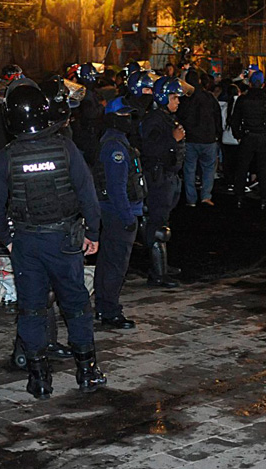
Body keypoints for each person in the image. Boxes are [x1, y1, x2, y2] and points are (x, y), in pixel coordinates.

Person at [0, 84, 104, 400]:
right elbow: (88, 195)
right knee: (76, 307)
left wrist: (10, 241)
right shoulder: (65, 148)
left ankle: (39, 379)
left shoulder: (6, 158)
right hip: (64, 241)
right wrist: (92, 233)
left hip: (27, 243)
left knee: (32, 310)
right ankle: (87, 371)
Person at [94, 98, 145, 329]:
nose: (128, 120)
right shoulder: (115, 147)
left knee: (108, 261)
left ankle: (104, 307)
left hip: (114, 212)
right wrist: (128, 218)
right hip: (118, 213)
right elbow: (117, 188)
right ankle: (109, 311)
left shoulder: (117, 142)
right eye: (123, 116)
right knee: (115, 264)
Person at [140, 77, 187, 287]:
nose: (177, 101)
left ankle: (162, 265)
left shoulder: (166, 117)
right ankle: (157, 274)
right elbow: (148, 149)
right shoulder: (154, 120)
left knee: (163, 224)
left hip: (169, 177)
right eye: (174, 97)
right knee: (158, 227)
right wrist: (172, 140)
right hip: (158, 179)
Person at [230, 71, 266, 209]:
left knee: (242, 168)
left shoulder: (243, 99)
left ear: (251, 83)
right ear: (263, 84)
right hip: (263, 136)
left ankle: (239, 197)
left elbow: (235, 120)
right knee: (264, 170)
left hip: (247, 136)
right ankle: (264, 199)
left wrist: (239, 135)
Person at [178, 69, 222, 206]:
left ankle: (191, 199)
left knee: (189, 169)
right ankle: (206, 196)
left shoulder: (184, 99)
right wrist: (217, 134)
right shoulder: (209, 97)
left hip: (190, 138)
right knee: (208, 168)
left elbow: (180, 117)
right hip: (208, 138)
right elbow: (217, 117)